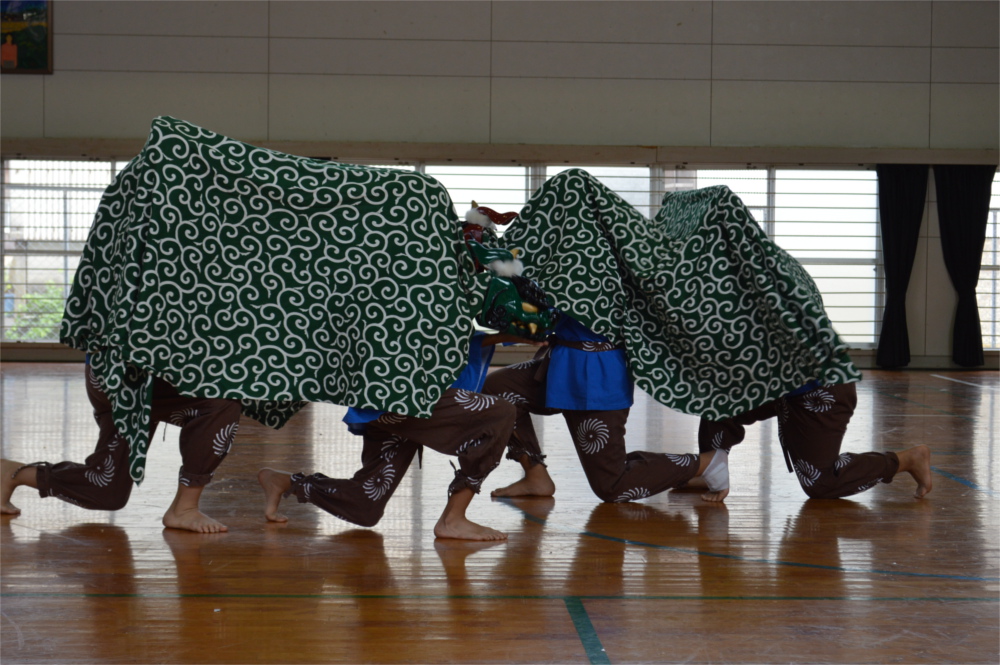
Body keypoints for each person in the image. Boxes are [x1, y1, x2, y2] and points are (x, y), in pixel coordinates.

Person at [258, 332, 522, 541]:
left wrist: (505, 335)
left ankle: (284, 481)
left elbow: (448, 335)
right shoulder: (422, 283)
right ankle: (453, 519)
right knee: (499, 414)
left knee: (364, 505)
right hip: (400, 394)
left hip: (394, 399)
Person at [484, 314, 729, 502]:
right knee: (498, 388)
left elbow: (549, 314)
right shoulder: (567, 266)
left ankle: (706, 463)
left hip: (597, 374)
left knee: (612, 485)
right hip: (561, 365)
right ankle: (536, 475)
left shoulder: (605, 267)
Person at [2, 362, 242, 533]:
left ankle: (12, 473)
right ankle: (185, 508)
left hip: (134, 375)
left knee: (106, 491)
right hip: (123, 372)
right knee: (221, 401)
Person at [695, 381, 933, 502]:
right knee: (718, 402)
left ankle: (907, 460)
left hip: (819, 389)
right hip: (776, 384)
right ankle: (710, 469)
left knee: (820, 482)